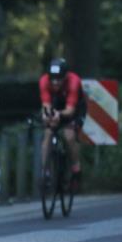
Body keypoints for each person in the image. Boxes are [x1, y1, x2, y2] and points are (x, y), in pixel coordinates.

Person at [39, 58, 86, 188]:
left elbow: (70, 111)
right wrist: (47, 115)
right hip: (56, 104)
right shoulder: (44, 81)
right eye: (52, 79)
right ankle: (45, 171)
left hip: (75, 107)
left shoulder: (74, 82)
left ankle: (76, 168)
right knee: (48, 133)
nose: (55, 82)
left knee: (69, 136)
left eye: (59, 79)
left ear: (65, 76)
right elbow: (46, 104)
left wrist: (59, 115)